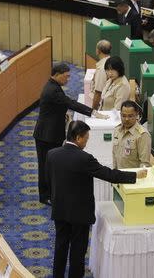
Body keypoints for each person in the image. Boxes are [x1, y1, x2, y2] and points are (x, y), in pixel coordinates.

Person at [47, 120, 144, 278]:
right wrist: (134, 175)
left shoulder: (52, 154)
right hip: (79, 214)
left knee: (60, 247)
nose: (87, 142)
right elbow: (109, 175)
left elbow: (48, 182)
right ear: (78, 138)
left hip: (60, 209)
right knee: (78, 252)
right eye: (86, 138)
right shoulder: (84, 158)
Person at [33, 63, 107, 205]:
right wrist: (92, 112)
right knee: (45, 166)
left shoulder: (53, 86)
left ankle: (49, 193)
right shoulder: (53, 90)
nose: (68, 79)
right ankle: (45, 196)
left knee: (49, 165)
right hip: (46, 136)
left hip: (49, 133)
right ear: (57, 74)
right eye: (66, 76)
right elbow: (70, 103)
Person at [113, 100, 151, 169]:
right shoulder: (117, 130)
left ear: (137, 115)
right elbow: (115, 156)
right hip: (118, 176)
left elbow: (144, 163)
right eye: (124, 116)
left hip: (133, 178)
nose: (126, 119)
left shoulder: (142, 135)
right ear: (120, 114)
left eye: (130, 116)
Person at [90, 40, 111, 110]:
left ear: (98, 51)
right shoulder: (109, 61)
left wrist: (93, 111)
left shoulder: (102, 69)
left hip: (101, 104)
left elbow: (98, 92)